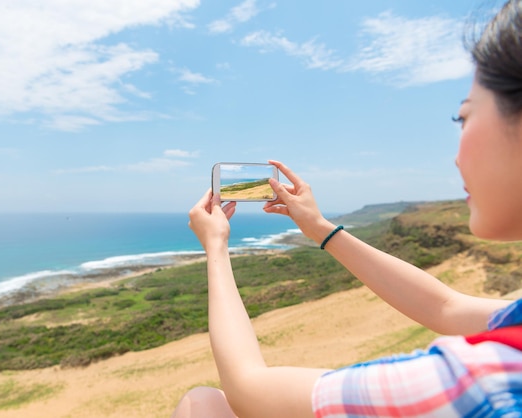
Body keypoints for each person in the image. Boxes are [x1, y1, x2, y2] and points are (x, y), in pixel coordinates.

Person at [172, 1, 522, 417]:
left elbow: (251, 390)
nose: (456, 157)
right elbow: (444, 308)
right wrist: (320, 228)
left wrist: (216, 248)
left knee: (202, 403)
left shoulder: (485, 379)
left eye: (462, 117)